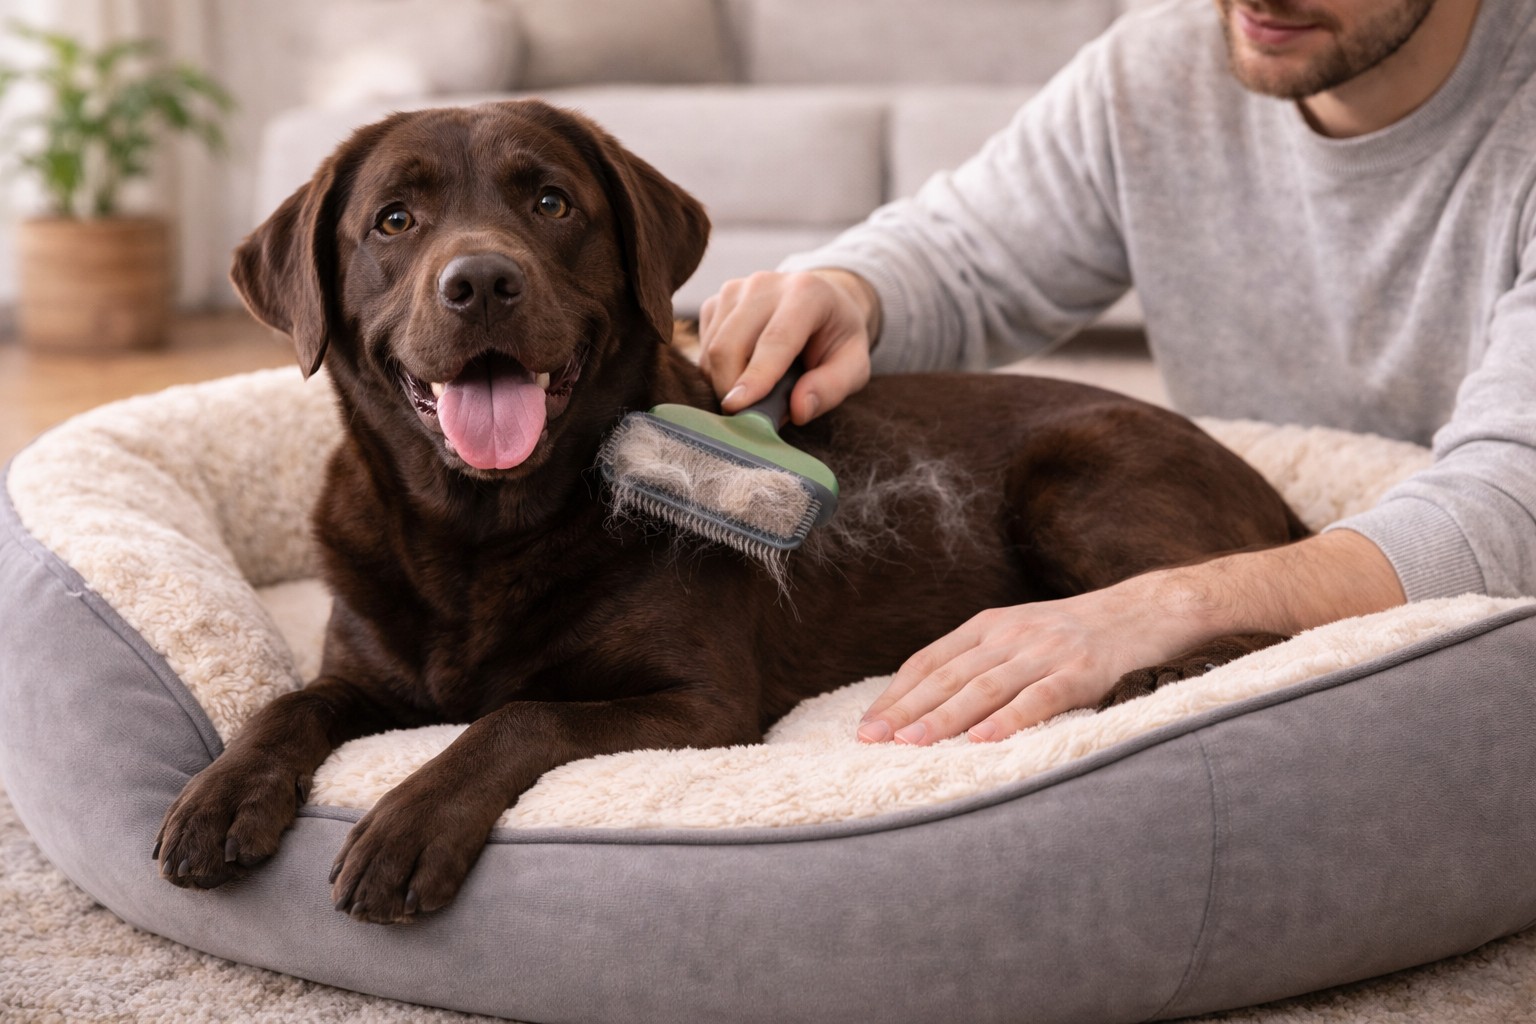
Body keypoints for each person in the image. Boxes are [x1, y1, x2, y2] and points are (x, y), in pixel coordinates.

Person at [695, 0, 1536, 746]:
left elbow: (1515, 503)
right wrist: (851, 290)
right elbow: (965, 253)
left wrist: (1167, 606)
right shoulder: (1157, 70)